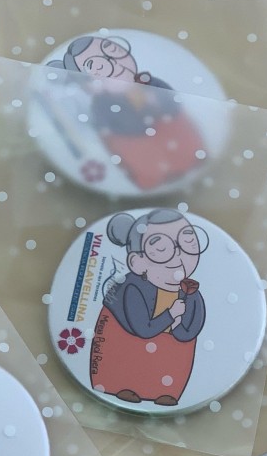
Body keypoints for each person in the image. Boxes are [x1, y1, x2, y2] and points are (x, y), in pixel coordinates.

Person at [47, 35, 205, 191]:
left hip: (180, 143)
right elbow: (122, 134)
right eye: (97, 67)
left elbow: (174, 108)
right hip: (144, 155)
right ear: (90, 85)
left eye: (114, 53)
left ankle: (187, 162)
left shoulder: (150, 82)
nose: (114, 65)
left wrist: (157, 102)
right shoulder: (102, 105)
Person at [90, 209, 206, 407]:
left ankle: (165, 391)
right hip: (130, 341)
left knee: (175, 354)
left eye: (188, 244)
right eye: (161, 249)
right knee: (126, 356)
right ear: (137, 263)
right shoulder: (131, 288)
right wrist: (171, 315)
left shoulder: (191, 292)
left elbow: (193, 326)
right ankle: (120, 385)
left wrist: (178, 328)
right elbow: (142, 328)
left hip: (168, 353)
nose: (178, 255)